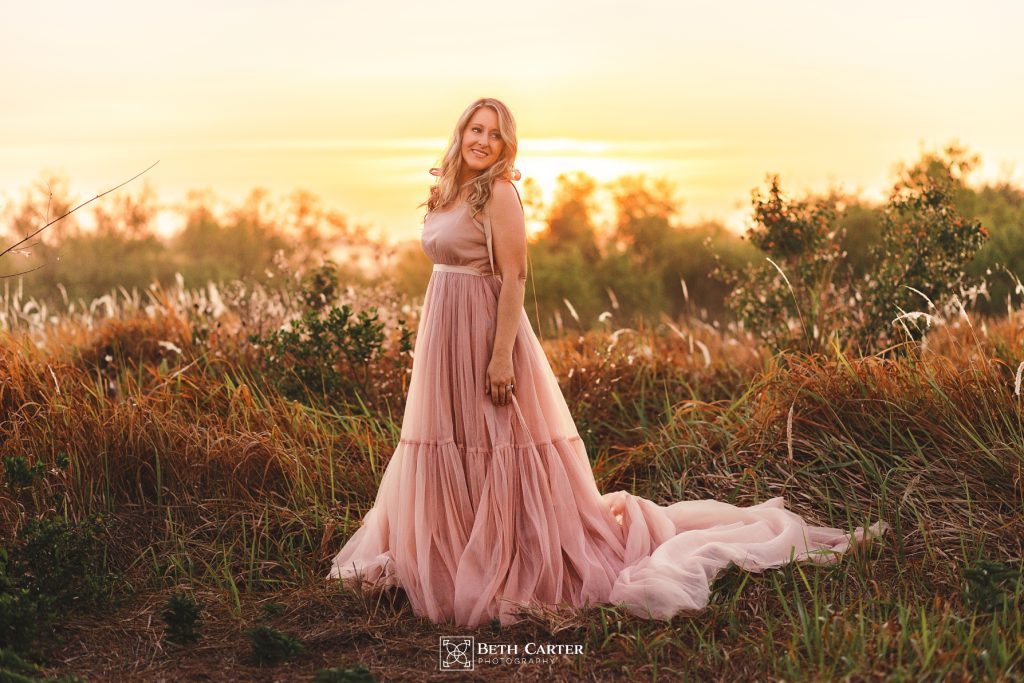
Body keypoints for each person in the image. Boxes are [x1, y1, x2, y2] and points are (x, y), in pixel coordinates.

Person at [326, 97, 889, 627]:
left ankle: (508, 557)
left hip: (485, 329)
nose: (483, 140)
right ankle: (453, 551)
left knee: (499, 439)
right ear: (461, 133)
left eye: (495, 135)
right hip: (443, 330)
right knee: (449, 438)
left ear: (506, 148)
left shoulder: (498, 194)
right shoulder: (449, 191)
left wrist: (501, 357)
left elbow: (516, 276)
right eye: (476, 130)